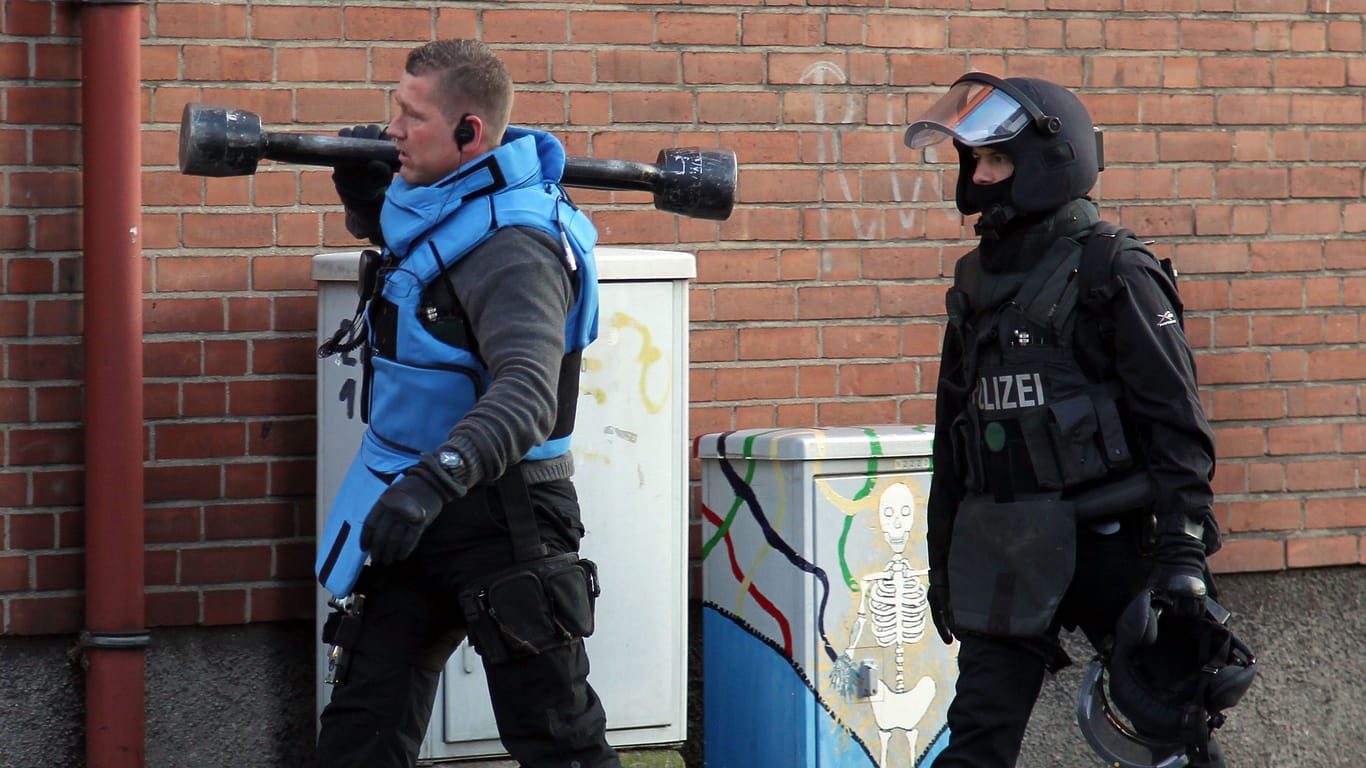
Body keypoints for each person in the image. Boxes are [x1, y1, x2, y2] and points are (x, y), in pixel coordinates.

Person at [903, 73, 1232, 767]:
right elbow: (954, 441)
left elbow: (1177, 423)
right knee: (977, 741)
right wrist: (941, 561)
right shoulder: (974, 284)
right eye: (976, 164)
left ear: (1050, 162)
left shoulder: (1113, 265)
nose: (982, 178)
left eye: (997, 161)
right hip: (1010, 546)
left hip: (1114, 541)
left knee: (1171, 728)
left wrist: (1182, 553)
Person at [312, 38, 620, 768]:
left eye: (410, 117)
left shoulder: (519, 247)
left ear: (469, 133)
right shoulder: (457, 201)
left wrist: (427, 486)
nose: (392, 130)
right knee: (360, 734)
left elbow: (525, 398)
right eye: (395, 111)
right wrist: (368, 202)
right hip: (414, 508)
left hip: (504, 516)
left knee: (560, 745)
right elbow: (431, 272)